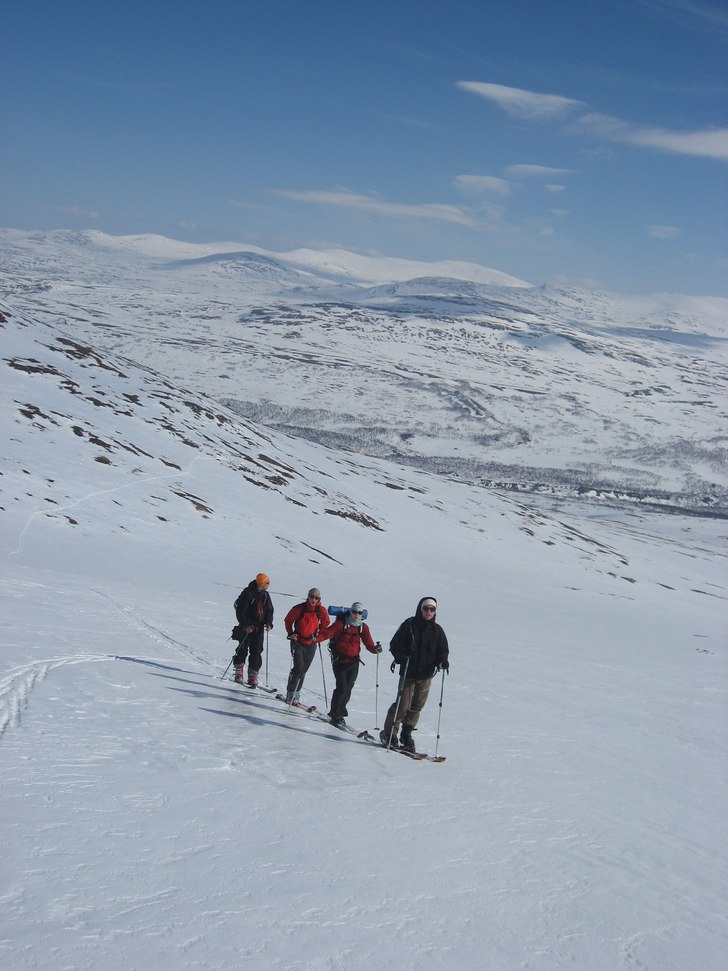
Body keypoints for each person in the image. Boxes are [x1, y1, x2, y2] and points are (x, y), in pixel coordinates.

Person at [380, 596, 449, 752]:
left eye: (432, 609)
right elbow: (394, 644)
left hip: (426, 675)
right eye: (426, 608)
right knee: (403, 705)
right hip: (409, 673)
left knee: (417, 706)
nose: (429, 612)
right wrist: (402, 655)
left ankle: (406, 733)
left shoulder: (437, 631)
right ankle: (389, 733)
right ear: (420, 609)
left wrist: (442, 661)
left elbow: (443, 650)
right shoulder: (409, 625)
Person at [319, 602, 381, 727]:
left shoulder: (363, 627)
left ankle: (340, 712)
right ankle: (335, 714)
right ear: (350, 612)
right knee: (342, 687)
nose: (357, 615)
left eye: (359, 613)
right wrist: (315, 639)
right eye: (354, 612)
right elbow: (328, 633)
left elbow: (368, 643)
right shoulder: (341, 624)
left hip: (354, 661)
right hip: (340, 660)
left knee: (348, 688)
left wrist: (375, 649)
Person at [283, 588, 329, 704]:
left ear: (319, 599)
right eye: (311, 596)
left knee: (304, 669)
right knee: (298, 667)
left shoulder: (321, 610)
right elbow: (288, 620)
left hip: (311, 643)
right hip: (298, 641)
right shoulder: (299, 608)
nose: (313, 599)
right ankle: (291, 692)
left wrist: (320, 635)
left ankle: (296, 692)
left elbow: (326, 622)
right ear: (308, 596)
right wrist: (291, 633)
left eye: (316, 598)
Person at [232, 573, 274, 686]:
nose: (268, 585)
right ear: (262, 583)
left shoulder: (265, 595)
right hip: (247, 628)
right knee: (242, 649)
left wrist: (269, 623)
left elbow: (270, 610)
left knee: (256, 651)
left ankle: (252, 675)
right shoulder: (248, 593)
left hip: (258, 628)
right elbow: (240, 611)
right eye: (267, 583)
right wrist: (245, 625)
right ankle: (239, 672)